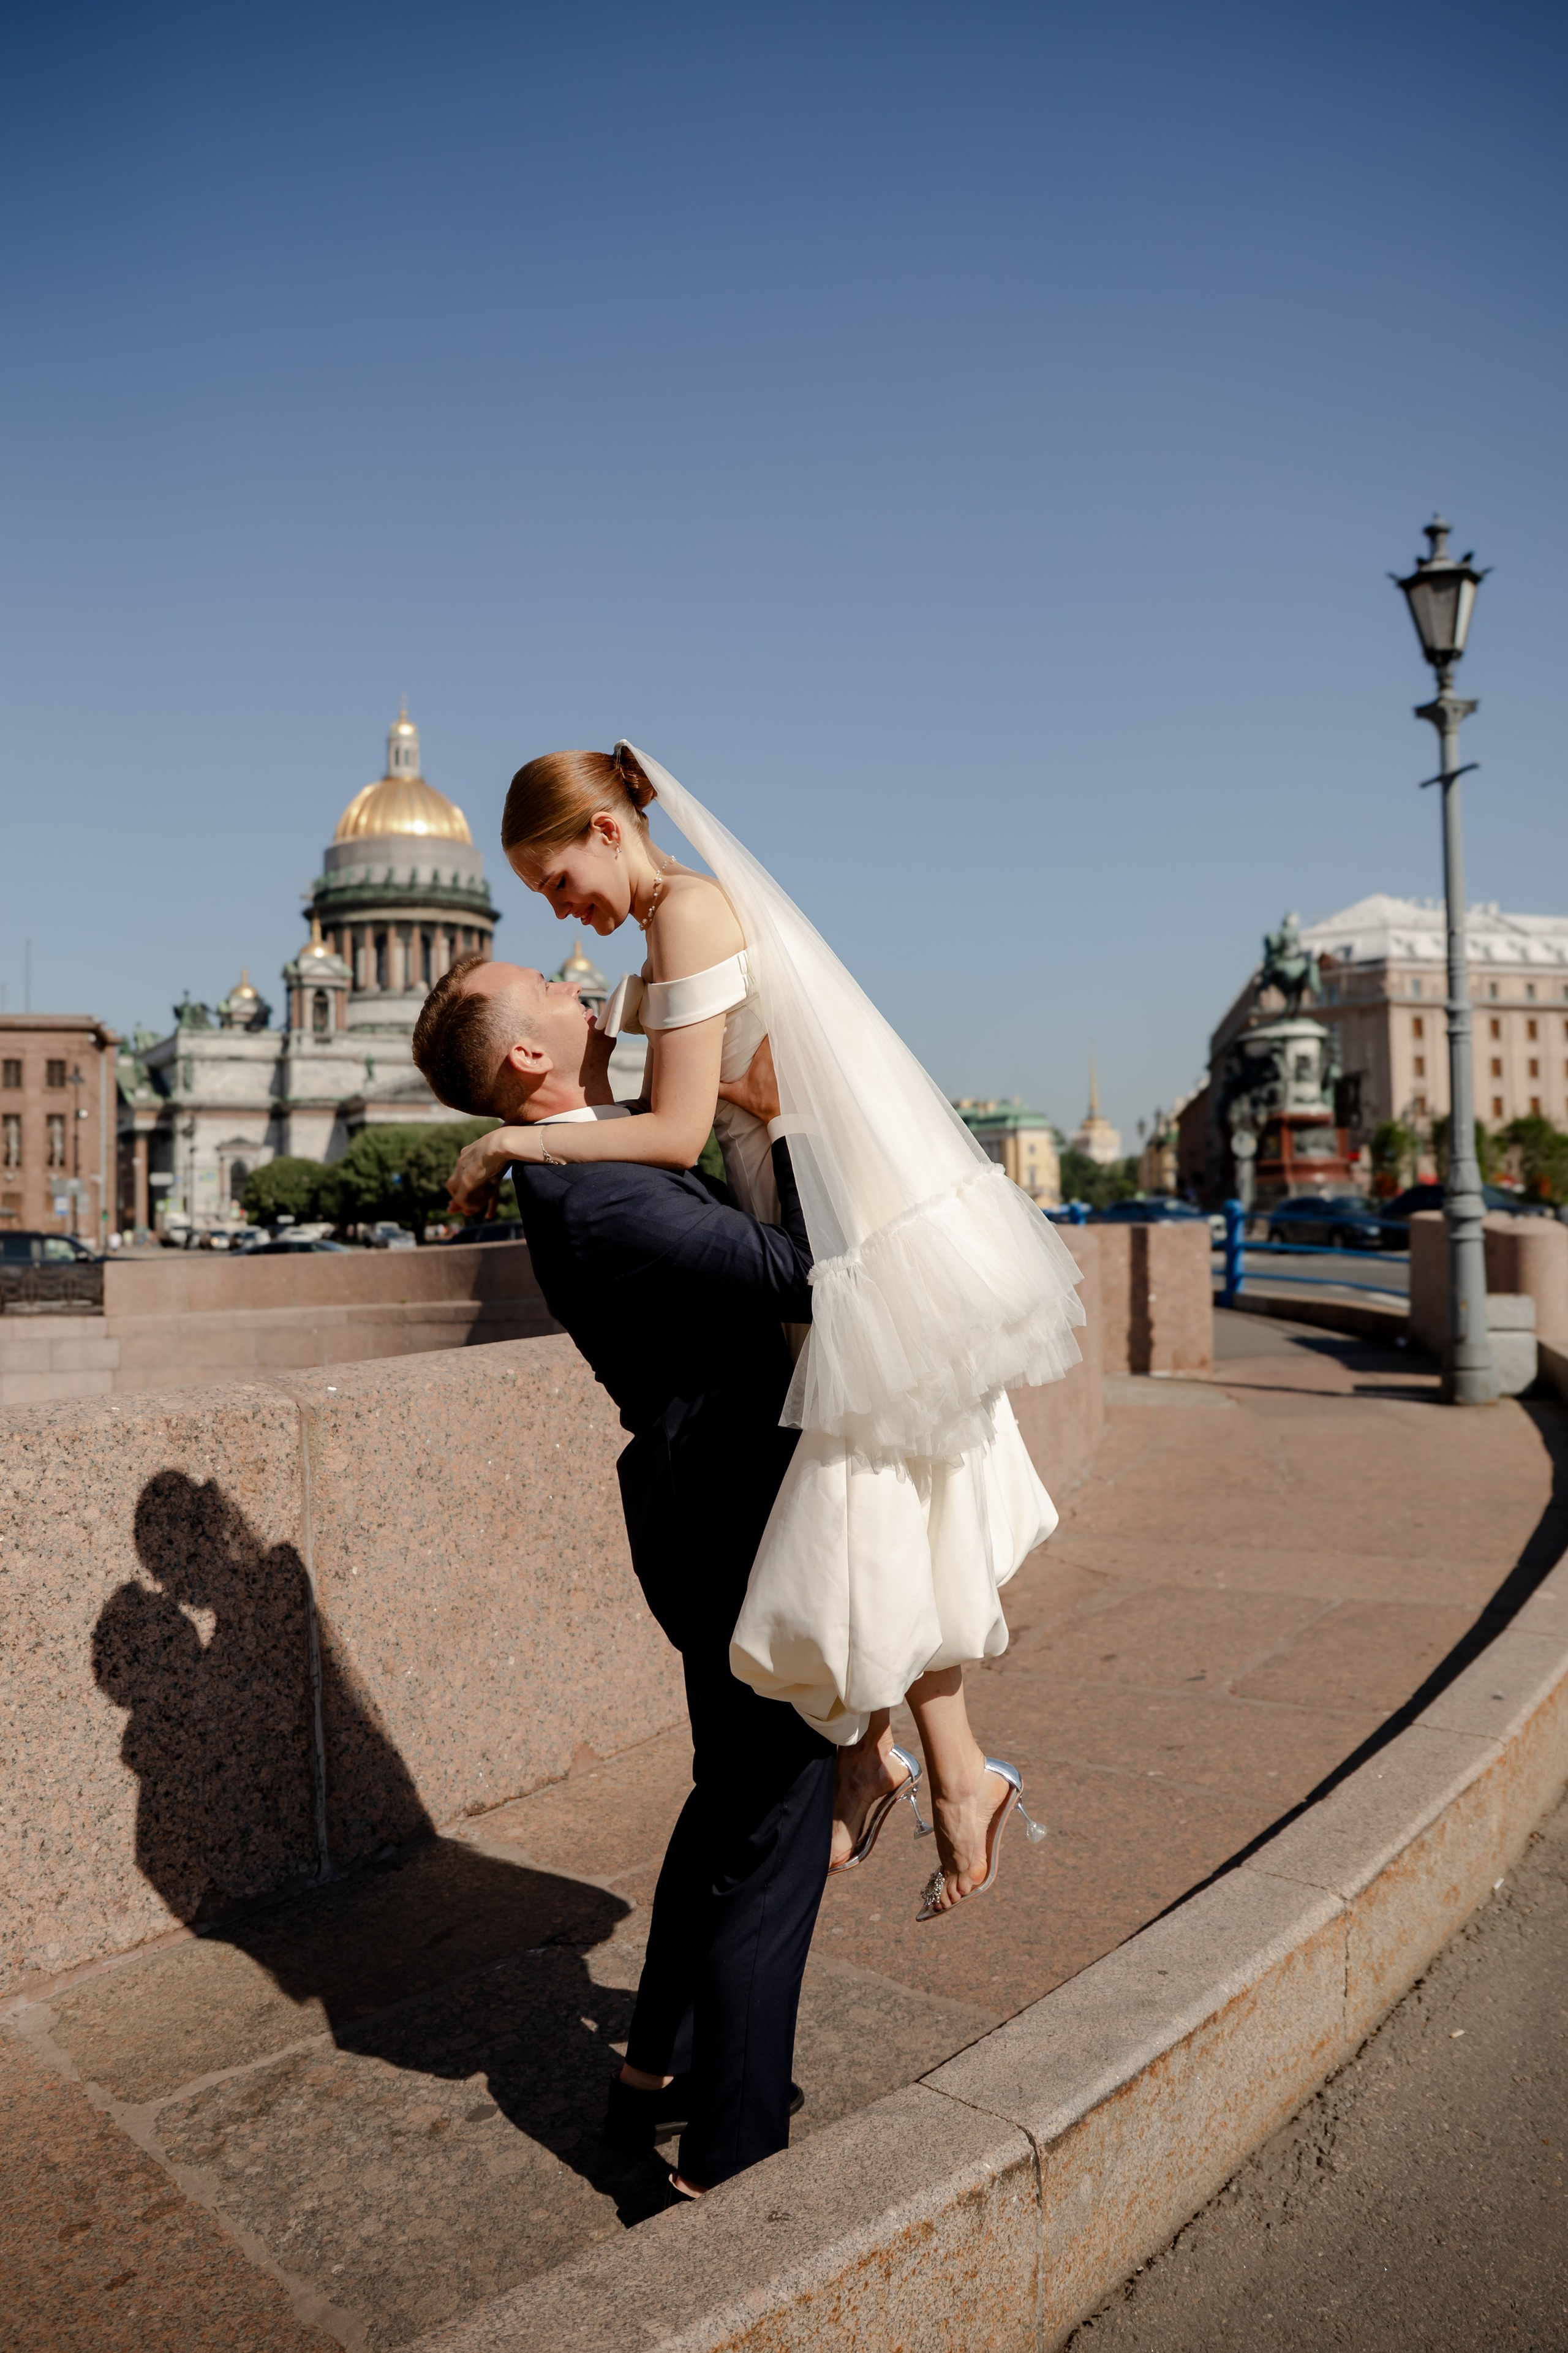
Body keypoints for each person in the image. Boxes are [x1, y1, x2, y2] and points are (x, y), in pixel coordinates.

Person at [428, 743, 1082, 1919]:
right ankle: (935, 1769)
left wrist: (521, 1141)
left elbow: (674, 1137)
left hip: (803, 1210)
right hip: (799, 1196)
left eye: (559, 878)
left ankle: (911, 1767)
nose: (565, 909)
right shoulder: (673, 916)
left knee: (873, 1479)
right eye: (543, 898)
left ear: (607, 829)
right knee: (882, 1482)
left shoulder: (683, 917)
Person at [412, 978, 830, 2194]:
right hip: (728, 1513)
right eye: (545, 986)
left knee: (729, 1801)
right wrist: (795, 1121)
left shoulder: (599, 1149)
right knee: (769, 1826)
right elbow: (799, 1268)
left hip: (712, 1504)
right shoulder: (590, 1190)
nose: (574, 972)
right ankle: (730, 2153)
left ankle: (651, 2070)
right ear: (530, 1054)